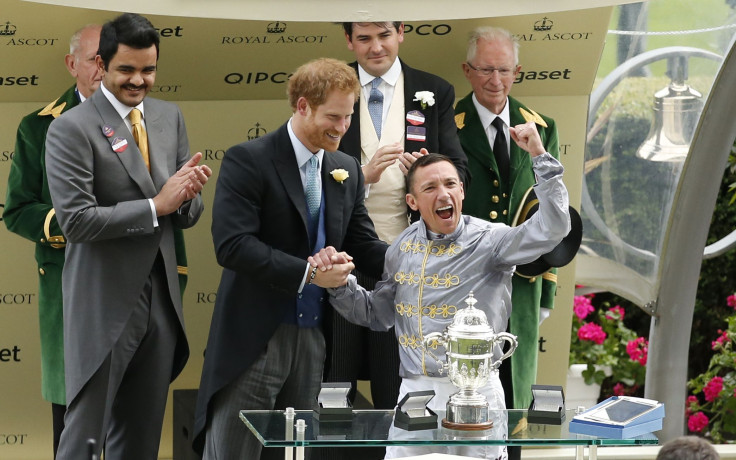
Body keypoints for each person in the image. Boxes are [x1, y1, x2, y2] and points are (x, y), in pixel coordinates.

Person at [320, 122, 570, 459]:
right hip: (415, 394)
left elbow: (553, 227)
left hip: (476, 393)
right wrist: (340, 285)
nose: (444, 194)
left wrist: (540, 156)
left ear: (462, 192)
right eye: (431, 187)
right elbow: (377, 315)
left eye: (451, 184)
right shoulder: (400, 248)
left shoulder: (491, 240)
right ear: (412, 200)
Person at [192, 57, 388, 460]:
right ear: (302, 106)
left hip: (315, 341)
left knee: (299, 454)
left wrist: (424, 263)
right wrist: (310, 274)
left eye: (349, 116)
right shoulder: (249, 159)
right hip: (255, 339)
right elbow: (232, 246)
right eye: (333, 116)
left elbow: (365, 245)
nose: (342, 127)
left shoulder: (346, 168)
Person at [44, 13, 210, 460]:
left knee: (140, 440)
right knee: (84, 439)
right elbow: (75, 221)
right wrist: (158, 205)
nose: (139, 80)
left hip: (162, 302)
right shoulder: (69, 128)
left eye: (149, 70)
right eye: (127, 70)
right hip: (103, 303)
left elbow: (185, 215)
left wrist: (189, 193)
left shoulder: (167, 117)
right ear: (100, 65)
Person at [325, 20, 470, 417]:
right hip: (342, 256)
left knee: (400, 387)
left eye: (384, 35)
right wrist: (363, 178)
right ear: (349, 40)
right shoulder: (329, 88)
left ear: (401, 32)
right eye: (365, 38)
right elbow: (308, 173)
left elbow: (460, 171)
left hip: (411, 262)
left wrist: (431, 172)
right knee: (336, 387)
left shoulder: (435, 90)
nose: (376, 48)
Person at [455, 27, 561, 457]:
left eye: (503, 70)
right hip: (468, 279)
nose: (494, 79)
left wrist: (548, 284)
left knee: (515, 393)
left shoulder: (542, 126)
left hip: (522, 282)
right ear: (467, 71)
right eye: (484, 69)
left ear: (517, 72)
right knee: (468, 386)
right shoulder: (449, 122)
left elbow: (551, 208)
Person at [2, 24, 100, 458]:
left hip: (135, 286)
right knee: (73, 416)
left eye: (110, 58)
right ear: (71, 64)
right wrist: (80, 222)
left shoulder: (148, 120)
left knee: (131, 410)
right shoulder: (36, 128)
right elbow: (18, 211)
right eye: (94, 58)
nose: (103, 68)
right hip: (69, 286)